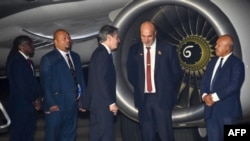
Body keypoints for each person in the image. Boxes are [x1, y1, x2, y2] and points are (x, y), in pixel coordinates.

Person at [126, 21, 182, 141]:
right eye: (143, 36)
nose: (146, 40)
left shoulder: (167, 49)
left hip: (162, 98)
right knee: (147, 135)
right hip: (144, 99)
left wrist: (166, 89)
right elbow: (131, 74)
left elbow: (176, 73)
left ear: (155, 33)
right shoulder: (134, 51)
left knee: (165, 134)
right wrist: (141, 87)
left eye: (149, 36)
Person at [39, 29, 86, 141]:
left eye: (68, 37)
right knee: (53, 136)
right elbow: (45, 83)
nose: (68, 40)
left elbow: (80, 80)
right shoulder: (48, 59)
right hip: (57, 105)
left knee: (69, 135)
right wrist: (52, 103)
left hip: (72, 105)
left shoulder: (76, 57)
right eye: (64, 38)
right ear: (55, 42)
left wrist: (83, 100)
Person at [200, 34, 245, 141]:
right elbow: (204, 82)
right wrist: (204, 96)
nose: (215, 47)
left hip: (228, 113)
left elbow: (234, 85)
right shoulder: (212, 63)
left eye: (218, 45)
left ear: (227, 48)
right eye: (216, 44)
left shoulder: (237, 64)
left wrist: (213, 97)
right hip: (211, 112)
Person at [83, 25, 119, 141]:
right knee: (105, 136)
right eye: (116, 37)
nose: (118, 40)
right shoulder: (103, 54)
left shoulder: (99, 53)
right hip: (103, 105)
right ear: (109, 37)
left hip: (98, 105)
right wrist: (111, 103)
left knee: (97, 136)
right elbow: (102, 81)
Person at [6, 35, 42, 141]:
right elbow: (21, 85)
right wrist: (34, 99)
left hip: (29, 107)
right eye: (30, 44)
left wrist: (39, 97)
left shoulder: (29, 62)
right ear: (21, 46)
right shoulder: (16, 61)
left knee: (29, 135)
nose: (33, 46)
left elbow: (33, 82)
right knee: (19, 136)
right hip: (20, 108)